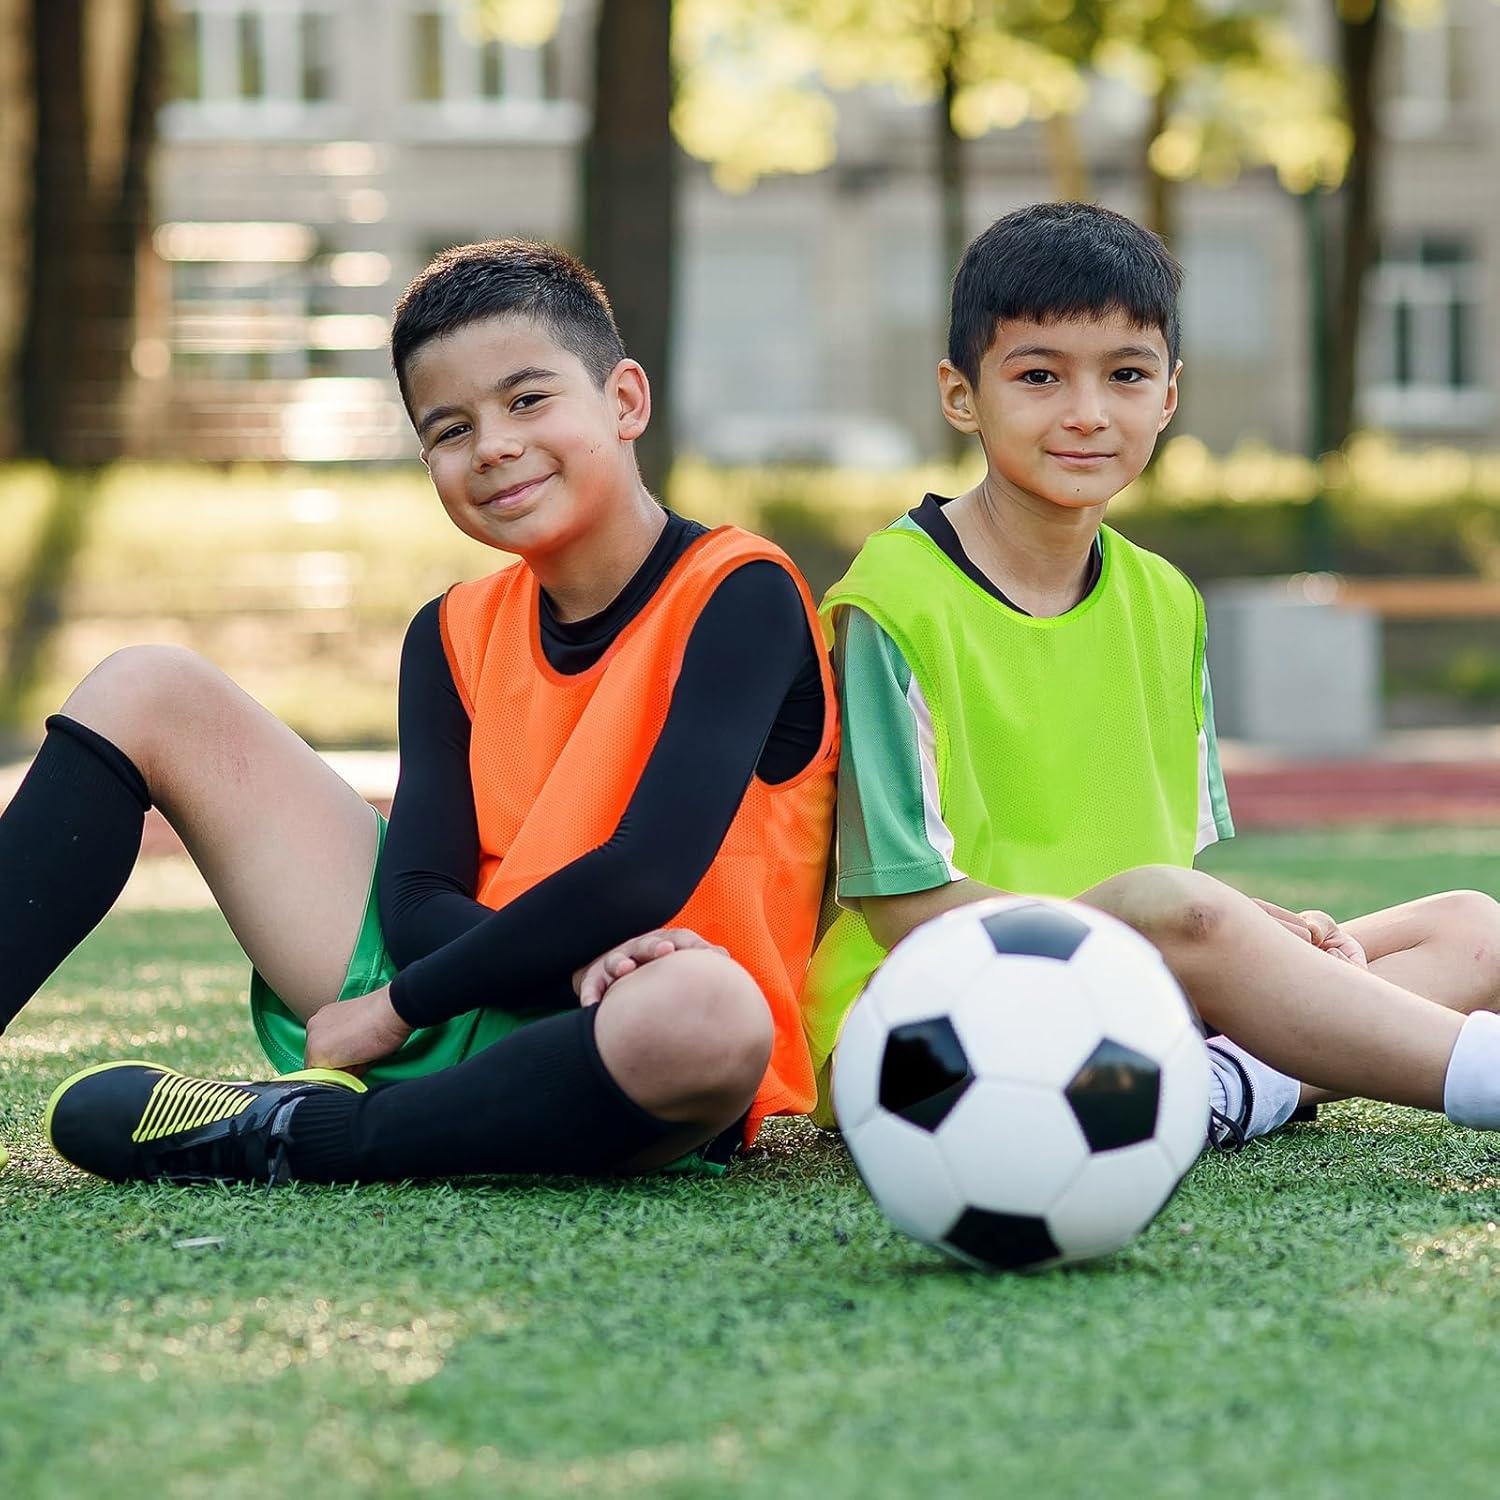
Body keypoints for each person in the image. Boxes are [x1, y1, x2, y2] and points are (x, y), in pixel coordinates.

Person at [26, 239, 837, 1184]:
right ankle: (377, 1110)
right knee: (146, 686)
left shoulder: (741, 592)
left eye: (528, 400)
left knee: (709, 1014)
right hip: (464, 988)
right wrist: (535, 971)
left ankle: (295, 1135)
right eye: (449, 431)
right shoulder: (449, 631)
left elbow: (643, 876)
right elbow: (412, 907)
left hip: (622, 1033)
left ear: (624, 401)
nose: (492, 445)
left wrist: (398, 1010)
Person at [805, 201, 1500, 1148]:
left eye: (1126, 376)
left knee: (1470, 928)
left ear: (1168, 397)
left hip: (1124, 996)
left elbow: (1174, 886)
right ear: (961, 394)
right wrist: (1184, 934)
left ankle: (1215, 1089)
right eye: (1039, 376)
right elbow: (904, 908)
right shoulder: (891, 601)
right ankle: (1467, 1078)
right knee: (1176, 912)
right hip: (921, 1037)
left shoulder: (1167, 601)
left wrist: (1268, 934)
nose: (1087, 413)